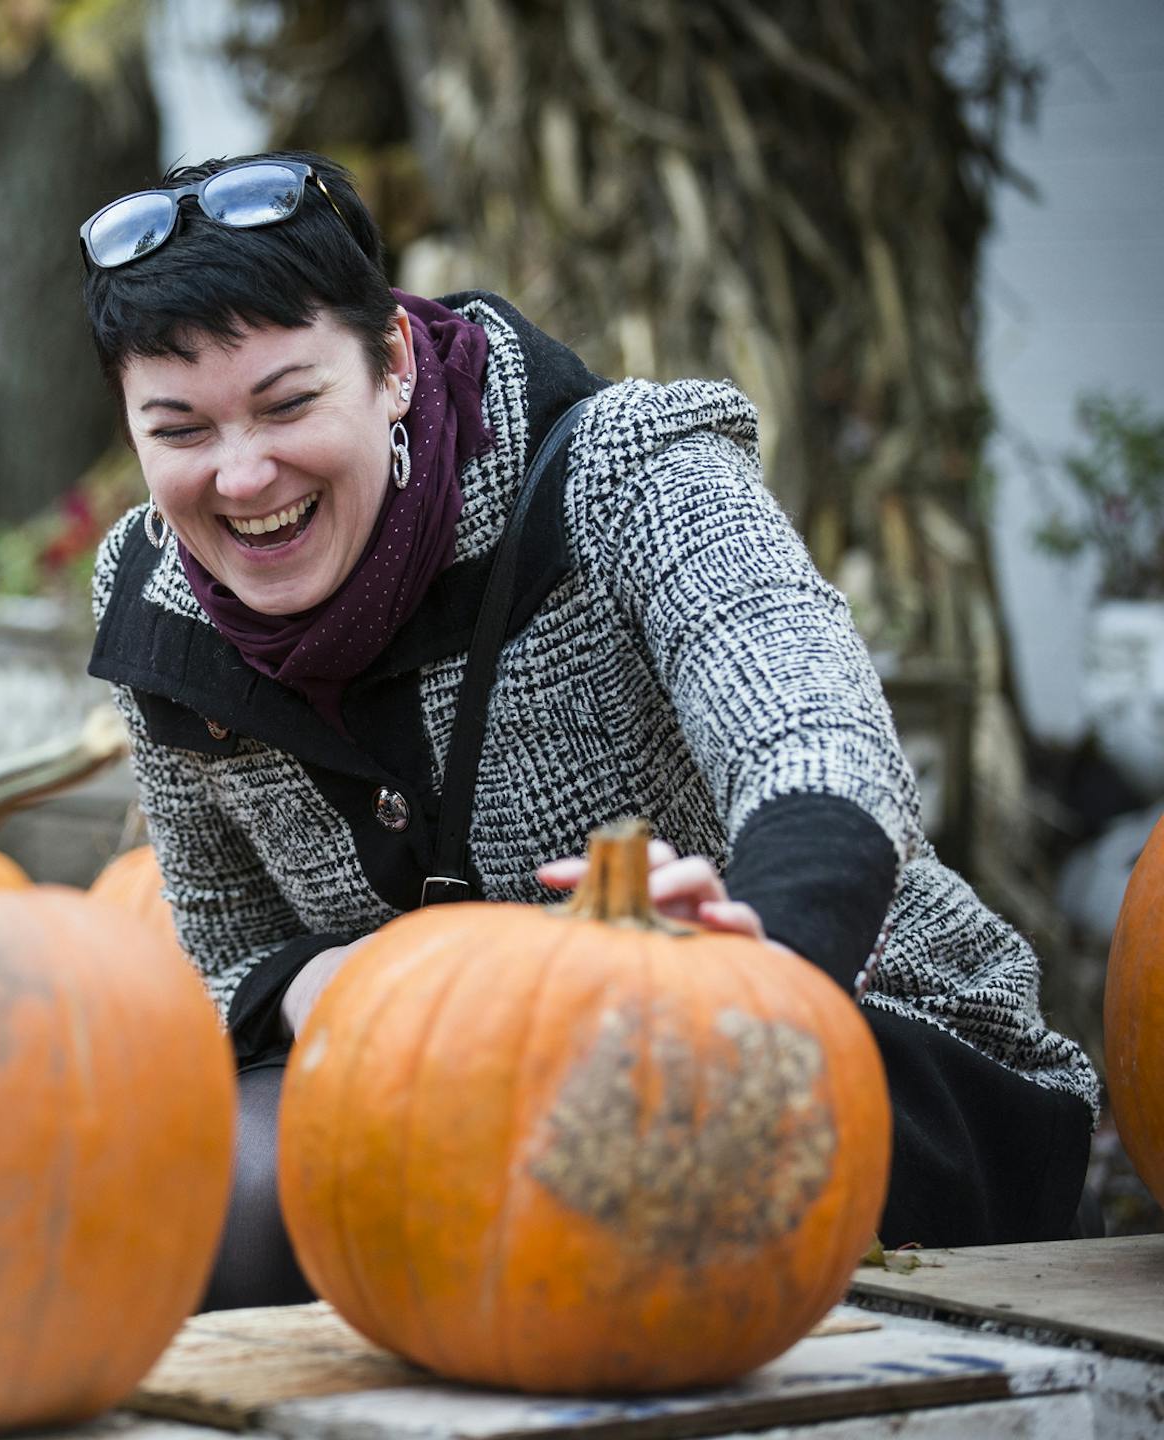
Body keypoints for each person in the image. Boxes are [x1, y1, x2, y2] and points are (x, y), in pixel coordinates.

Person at [77, 152, 1098, 1311]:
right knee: (174, 1207)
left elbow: (817, 742)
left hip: (851, 1046)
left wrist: (753, 963)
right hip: (435, 1103)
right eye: (181, 430)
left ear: (395, 366)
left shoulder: (623, 474)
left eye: (289, 403)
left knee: (581, 1194)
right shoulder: (154, 595)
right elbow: (215, 961)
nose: (244, 474)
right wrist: (323, 984)